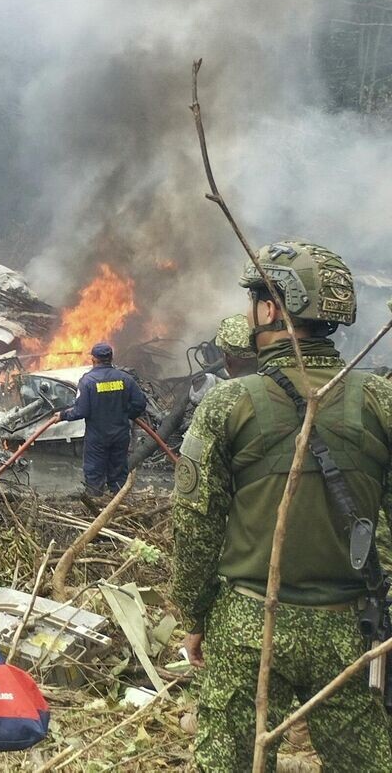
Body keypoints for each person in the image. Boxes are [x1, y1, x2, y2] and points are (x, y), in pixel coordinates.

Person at [172, 241, 392, 771]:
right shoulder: (380, 400)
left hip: (249, 623)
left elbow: (195, 526)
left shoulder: (228, 402)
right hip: (352, 627)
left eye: (254, 300)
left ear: (270, 310)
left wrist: (194, 613)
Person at [48, 342, 146, 497]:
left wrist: (62, 415)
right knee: (118, 473)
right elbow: (140, 404)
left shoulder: (88, 381)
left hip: (98, 437)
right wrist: (125, 414)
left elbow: (81, 410)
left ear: (93, 359)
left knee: (94, 474)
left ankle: (95, 506)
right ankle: (118, 505)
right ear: (111, 358)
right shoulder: (125, 379)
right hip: (120, 435)